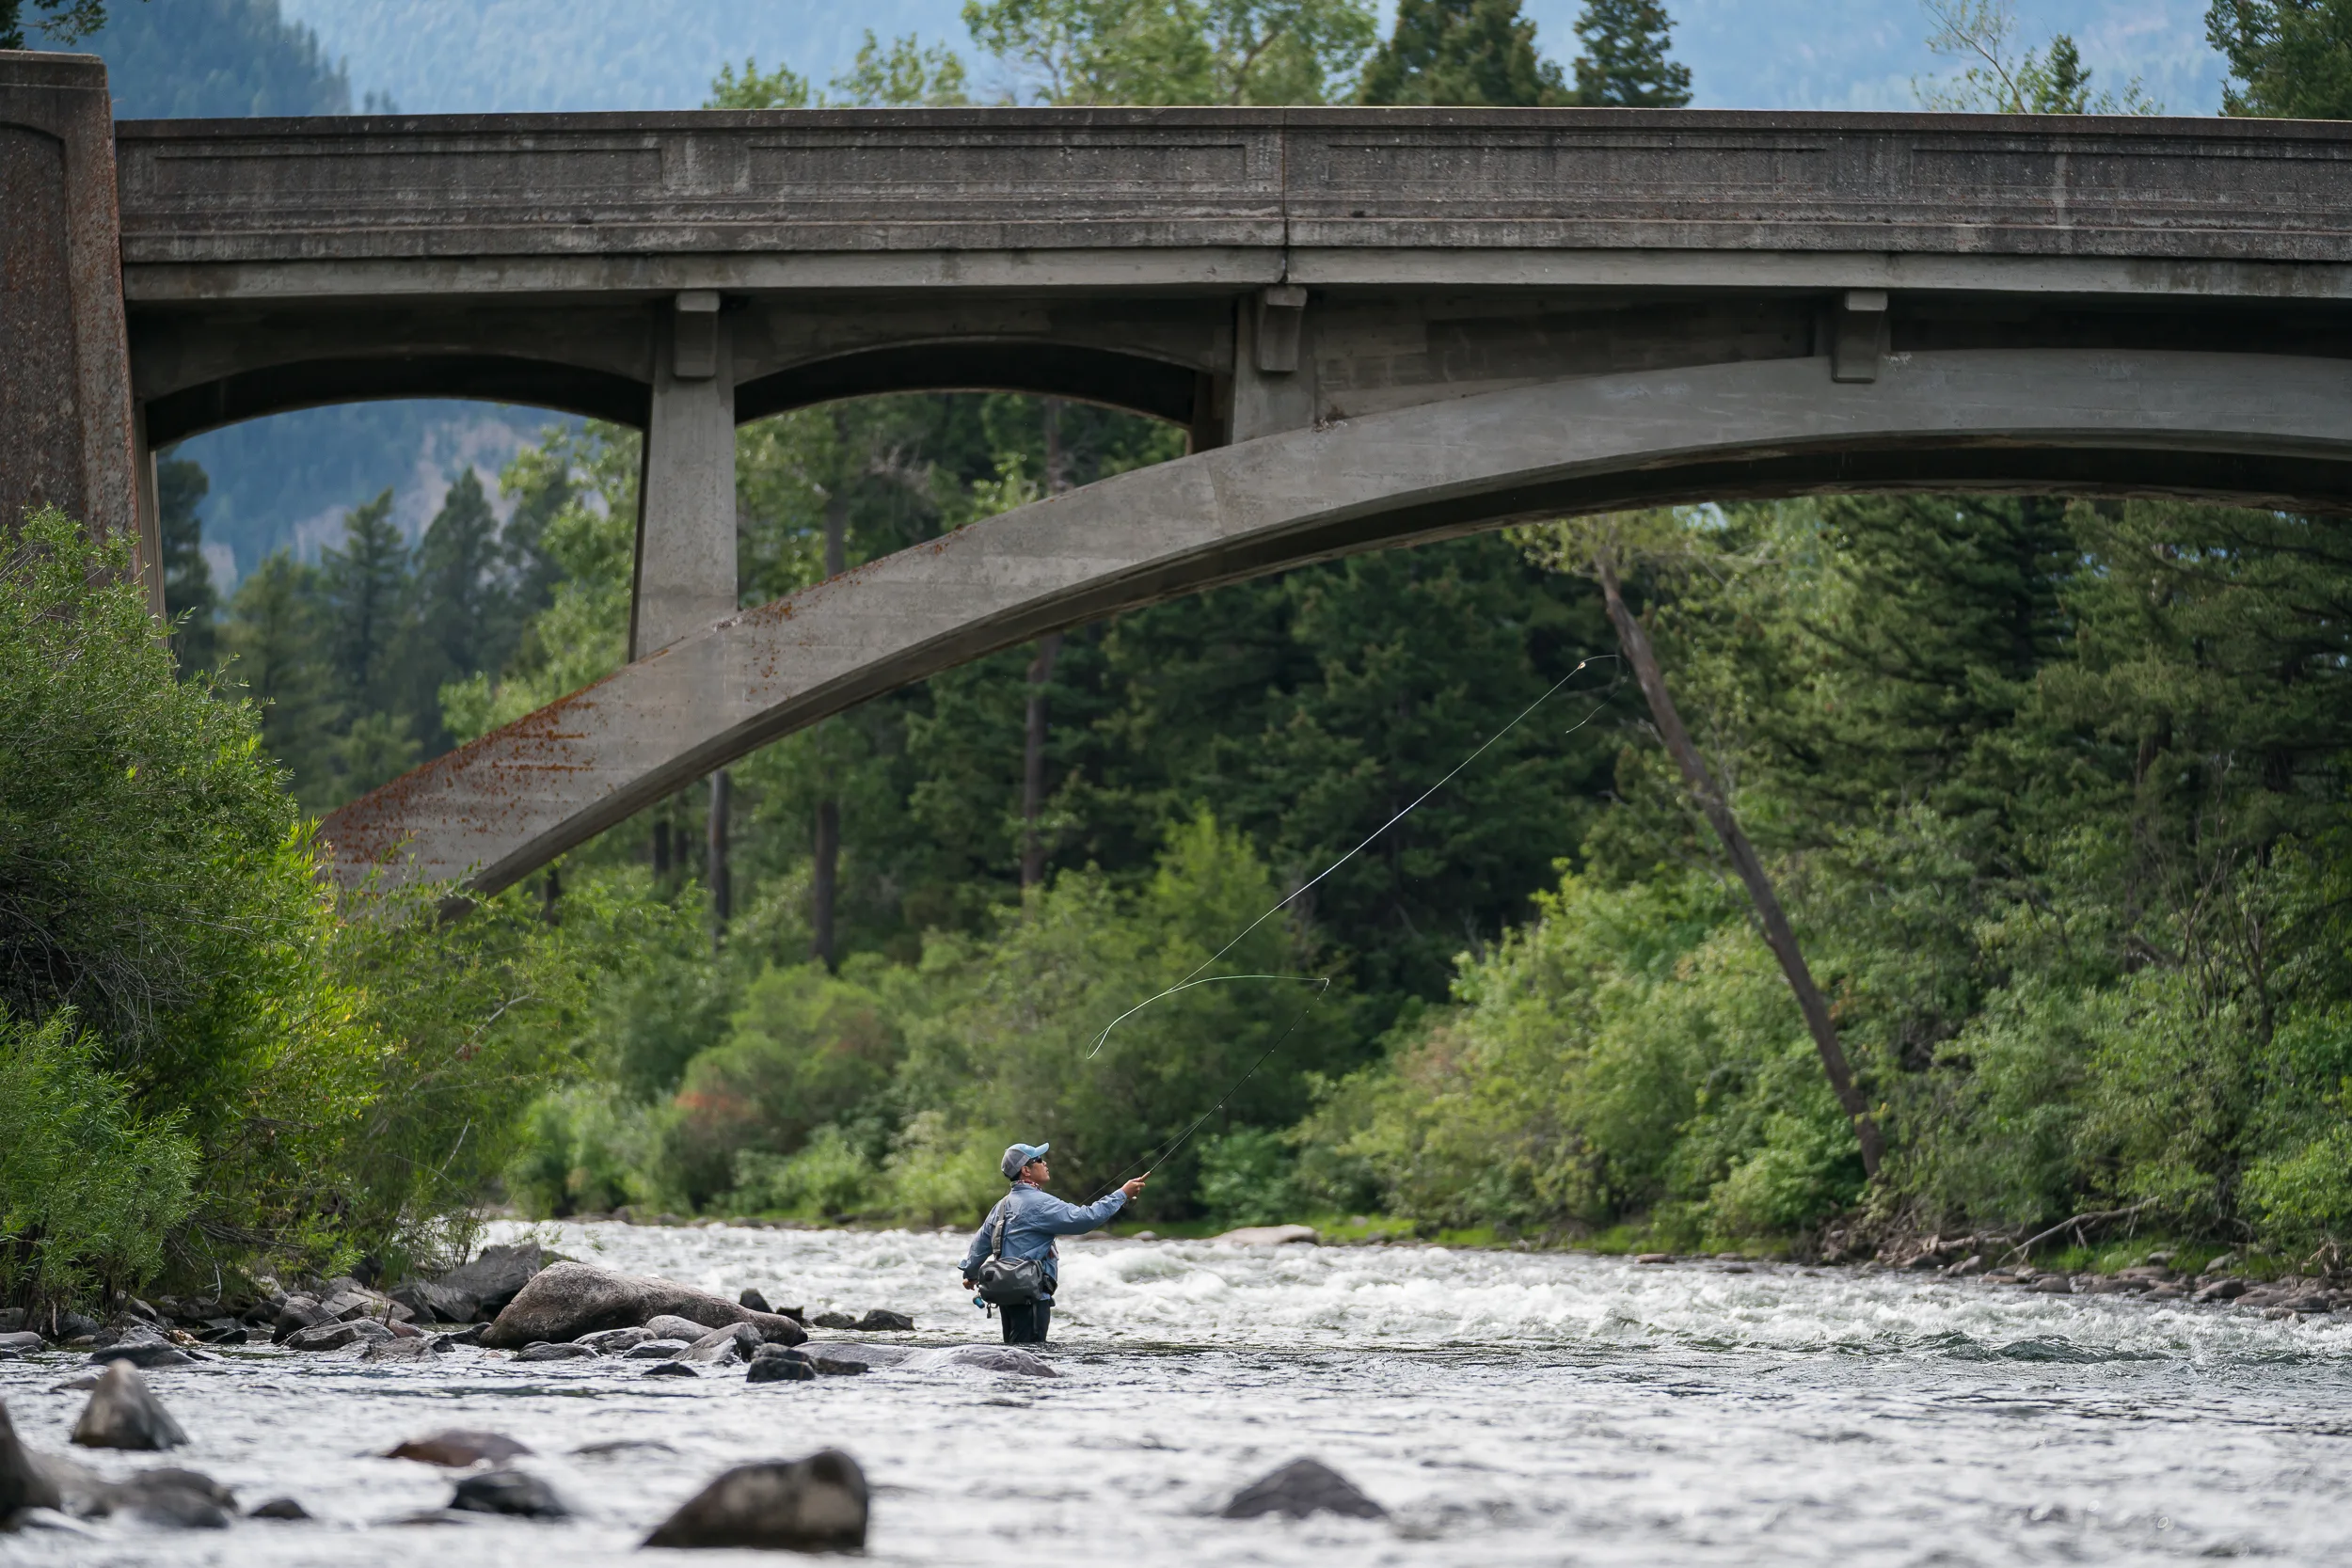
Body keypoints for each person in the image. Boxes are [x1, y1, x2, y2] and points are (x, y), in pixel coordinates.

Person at [960, 1142, 1145, 1345]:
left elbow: (980, 1244)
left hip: (1004, 1295)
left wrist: (970, 1274)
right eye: (1038, 1160)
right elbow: (1085, 1219)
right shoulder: (1041, 1203)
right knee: (1029, 1358)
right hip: (1031, 1296)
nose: (1045, 1162)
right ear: (1026, 1171)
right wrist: (1121, 1195)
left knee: (1013, 1353)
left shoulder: (1001, 1206)